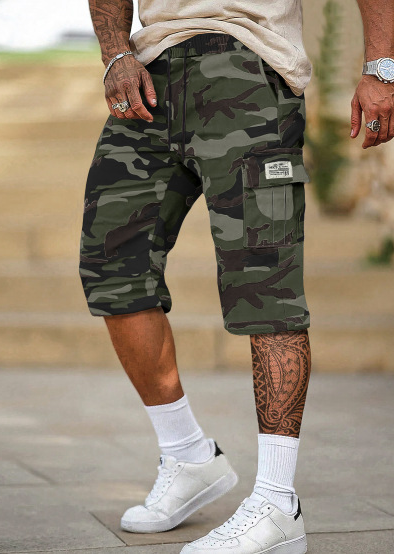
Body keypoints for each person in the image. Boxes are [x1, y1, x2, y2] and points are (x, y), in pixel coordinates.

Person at [79, 1, 394, 552]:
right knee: (111, 267)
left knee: (266, 288)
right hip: (148, 73)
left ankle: (277, 503)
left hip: (250, 69)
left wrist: (382, 68)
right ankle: (187, 455)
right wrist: (114, 53)